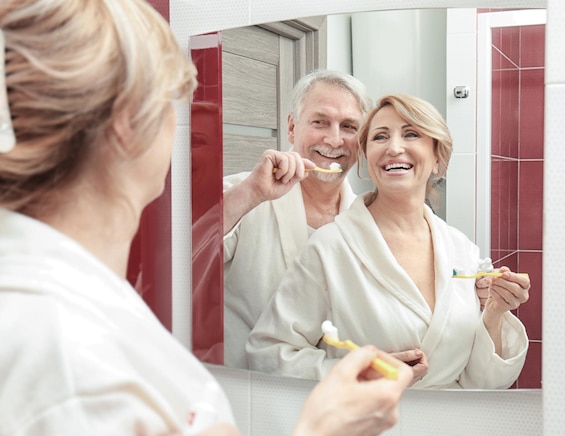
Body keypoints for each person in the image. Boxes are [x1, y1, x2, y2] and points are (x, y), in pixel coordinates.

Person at [0, 1, 414, 434]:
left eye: (350, 127)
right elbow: (183, 265)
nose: (182, 129)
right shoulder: (67, 355)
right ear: (125, 123)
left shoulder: (82, 299)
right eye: (170, 106)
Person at [247, 94, 531, 389]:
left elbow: (482, 383)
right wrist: (362, 374)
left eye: (411, 134)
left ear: (437, 158)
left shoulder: (462, 251)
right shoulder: (332, 248)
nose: (394, 148)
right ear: (368, 160)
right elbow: (269, 353)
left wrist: (495, 313)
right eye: (380, 137)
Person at [215, 69, 372, 368]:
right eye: (320, 122)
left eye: (349, 126)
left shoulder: (367, 222)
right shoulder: (241, 193)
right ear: (291, 127)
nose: (334, 139)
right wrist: (251, 193)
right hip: (243, 386)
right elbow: (180, 255)